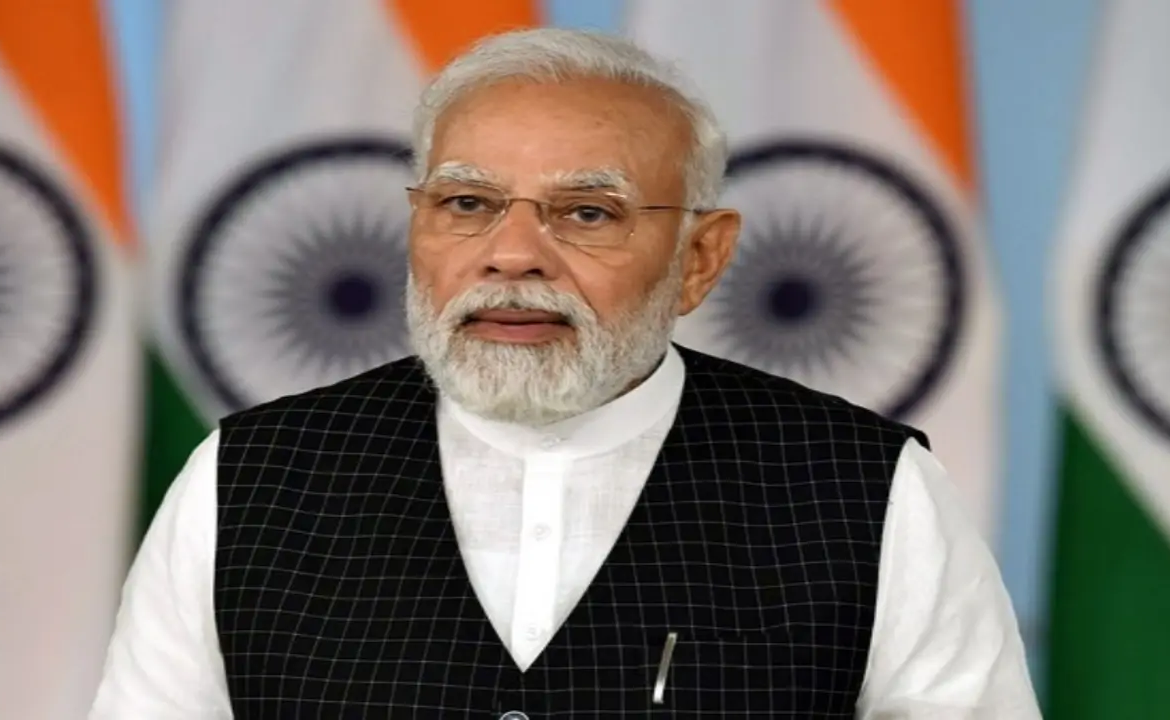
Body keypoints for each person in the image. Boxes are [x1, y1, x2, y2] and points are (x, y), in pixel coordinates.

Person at [90, 28, 1039, 719]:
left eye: (587, 213)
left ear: (700, 258)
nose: (512, 255)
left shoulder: (864, 486)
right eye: (467, 203)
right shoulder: (249, 477)